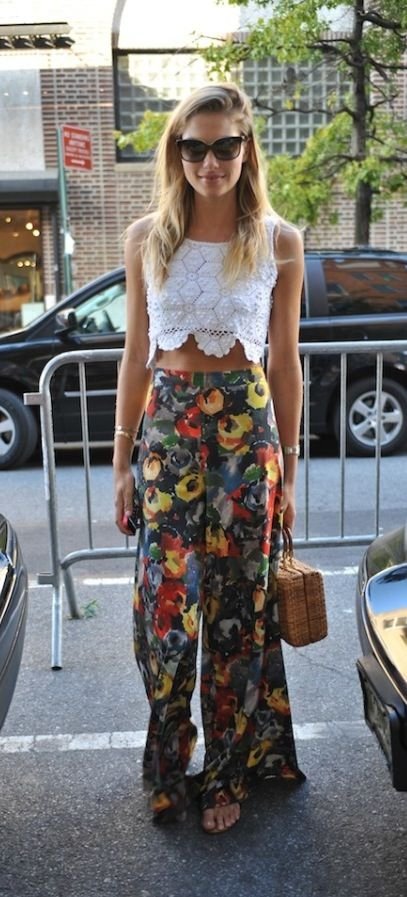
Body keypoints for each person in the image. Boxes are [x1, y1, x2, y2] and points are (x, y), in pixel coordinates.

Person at [113, 82, 305, 834]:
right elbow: (135, 358)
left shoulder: (277, 239)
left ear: (245, 147)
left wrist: (286, 466)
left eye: (225, 145)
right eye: (193, 147)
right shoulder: (144, 237)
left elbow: (284, 362)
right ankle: (168, 763)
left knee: (234, 612)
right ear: (176, 152)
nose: (210, 161)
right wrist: (122, 461)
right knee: (167, 611)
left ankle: (227, 771)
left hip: (245, 438)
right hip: (166, 430)